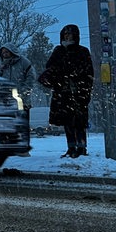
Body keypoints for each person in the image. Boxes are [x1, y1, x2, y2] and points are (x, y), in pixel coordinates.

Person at [39, 24, 94, 158]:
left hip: (77, 91)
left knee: (79, 122)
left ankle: (81, 148)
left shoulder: (82, 51)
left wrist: (84, 89)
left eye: (70, 34)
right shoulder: (59, 51)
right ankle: (71, 147)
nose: (67, 36)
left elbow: (88, 72)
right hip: (63, 92)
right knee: (68, 121)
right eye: (65, 34)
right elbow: (50, 67)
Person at [0, 42, 36, 112]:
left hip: (22, 98)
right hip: (6, 99)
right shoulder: (2, 64)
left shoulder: (23, 62)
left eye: (6, 52)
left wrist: (24, 90)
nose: (5, 54)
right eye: (3, 53)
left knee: (22, 119)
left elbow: (31, 76)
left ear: (12, 52)